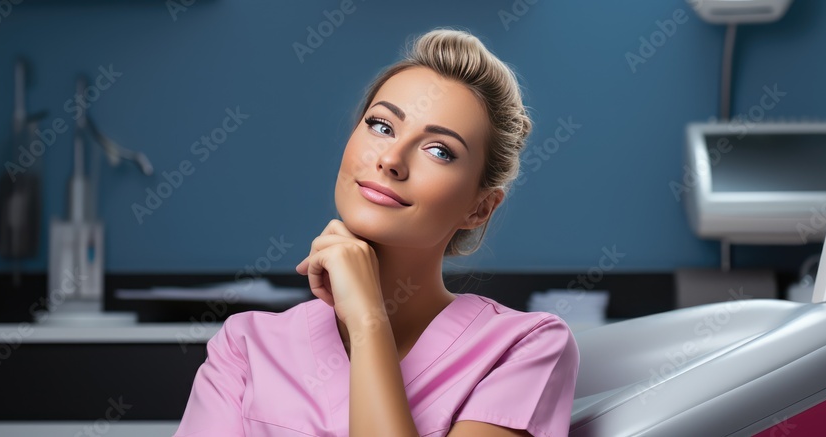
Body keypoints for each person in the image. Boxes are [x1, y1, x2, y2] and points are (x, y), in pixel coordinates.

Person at [174, 27, 580, 437]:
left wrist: (368, 321)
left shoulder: (523, 349)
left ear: (479, 208)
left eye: (439, 150)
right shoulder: (245, 347)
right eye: (382, 126)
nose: (390, 159)